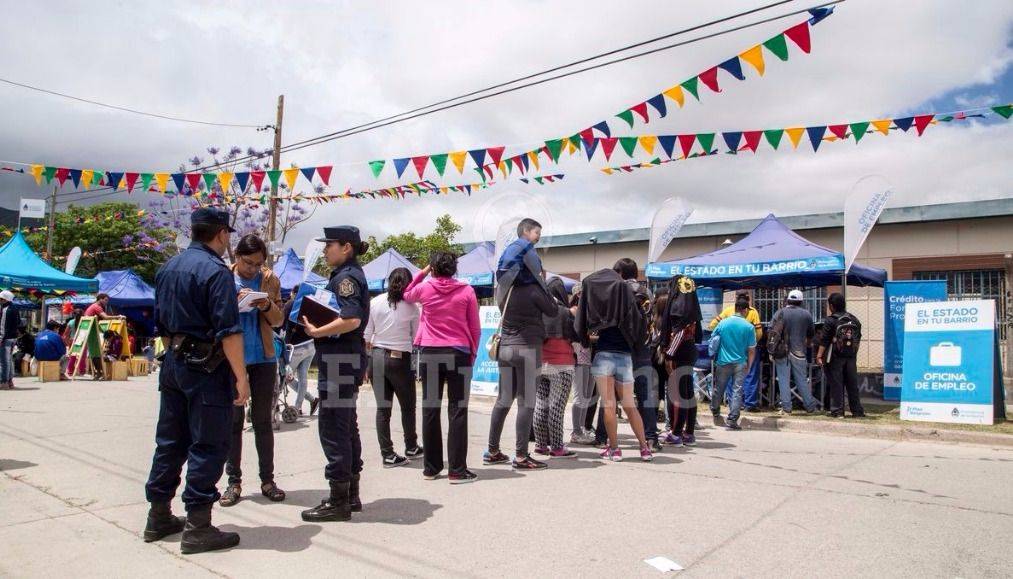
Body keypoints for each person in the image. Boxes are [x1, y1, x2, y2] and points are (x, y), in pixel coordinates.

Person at [143, 207, 249, 554]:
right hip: (206, 367)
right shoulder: (216, 271)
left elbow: (160, 323)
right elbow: (229, 331)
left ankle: (158, 515)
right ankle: (198, 526)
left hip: (173, 362)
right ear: (221, 234)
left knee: (170, 440)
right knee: (209, 443)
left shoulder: (168, 267)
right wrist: (241, 377)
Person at [301, 226, 370, 522]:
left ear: (346, 247)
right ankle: (350, 494)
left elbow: (351, 319)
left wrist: (317, 331)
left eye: (329, 245)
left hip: (340, 359)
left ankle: (339, 500)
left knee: (333, 428)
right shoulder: (346, 274)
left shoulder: (347, 278)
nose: (325, 250)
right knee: (345, 426)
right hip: (345, 358)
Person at [486, 218, 558, 470]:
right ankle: (520, 455)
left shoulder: (504, 291)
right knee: (526, 402)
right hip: (527, 348)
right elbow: (552, 310)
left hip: (505, 347)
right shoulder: (534, 290)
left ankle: (492, 450)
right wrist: (543, 283)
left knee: (503, 399)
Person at [220, 234, 287, 507]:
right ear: (236, 257)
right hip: (231, 358)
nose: (253, 269)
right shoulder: (223, 277)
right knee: (233, 422)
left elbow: (279, 320)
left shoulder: (269, 280)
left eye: (258, 264)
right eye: (248, 263)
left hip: (264, 357)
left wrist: (266, 305)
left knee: (262, 421)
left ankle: (267, 480)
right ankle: (233, 482)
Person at [403, 251, 481, 483]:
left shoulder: (425, 289)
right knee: (457, 410)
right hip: (459, 352)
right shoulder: (467, 291)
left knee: (430, 409)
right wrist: (472, 354)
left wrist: (422, 272)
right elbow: (475, 328)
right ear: (454, 268)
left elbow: (406, 293)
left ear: (434, 269)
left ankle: (431, 468)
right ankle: (457, 470)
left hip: (430, 353)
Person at [576, 266, 653, 462]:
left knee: (609, 405)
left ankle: (615, 449)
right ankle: (644, 448)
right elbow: (640, 332)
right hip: (625, 358)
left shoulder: (603, 309)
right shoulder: (630, 307)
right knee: (630, 406)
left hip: (603, 357)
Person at [364, 267, 423, 468]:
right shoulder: (412, 307)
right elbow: (416, 337)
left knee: (383, 409)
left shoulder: (375, 302)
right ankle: (411, 446)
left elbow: (366, 336)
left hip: (376, 357)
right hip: (399, 359)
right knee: (408, 406)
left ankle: (387, 454)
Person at [614, 258, 662, 453]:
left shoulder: (618, 290)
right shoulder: (647, 292)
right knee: (645, 395)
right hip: (643, 348)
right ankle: (651, 438)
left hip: (621, 347)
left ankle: (603, 437)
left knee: (611, 395)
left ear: (620, 273)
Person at [533, 277, 578, 458]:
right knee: (556, 408)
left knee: (541, 406)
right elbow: (577, 337)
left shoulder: (538, 311)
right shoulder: (566, 313)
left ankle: (540, 445)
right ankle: (558, 447)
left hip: (540, 364)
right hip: (562, 366)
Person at [658, 276, 703, 445]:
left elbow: (679, 333)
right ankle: (689, 433)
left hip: (679, 353)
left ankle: (676, 434)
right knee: (688, 393)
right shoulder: (692, 307)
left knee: (678, 395)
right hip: (689, 351)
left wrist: (669, 354)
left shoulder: (678, 308)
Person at [708, 292, 762, 410]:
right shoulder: (752, 312)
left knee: (726, 381)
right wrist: (752, 343)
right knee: (749, 376)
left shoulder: (728, 311)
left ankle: (728, 403)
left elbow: (712, 325)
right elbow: (759, 333)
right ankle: (749, 404)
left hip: (726, 353)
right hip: (745, 351)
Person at [816, 292, 865, 418]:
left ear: (832, 306)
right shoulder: (854, 319)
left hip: (835, 357)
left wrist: (819, 356)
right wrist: (853, 353)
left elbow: (824, 340)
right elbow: (858, 339)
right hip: (851, 357)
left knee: (836, 384)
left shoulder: (831, 320)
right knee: (852, 384)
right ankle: (857, 411)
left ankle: (838, 411)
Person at [770, 290, 819, 415]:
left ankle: (786, 408)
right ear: (801, 301)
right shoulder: (806, 314)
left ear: (788, 300)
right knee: (802, 380)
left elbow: (771, 331)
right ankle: (810, 406)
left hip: (782, 352)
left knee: (783, 380)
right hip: (799, 352)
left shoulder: (780, 312)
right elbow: (811, 334)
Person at [282, 284, 320, 416]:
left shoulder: (291, 304)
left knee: (286, 376)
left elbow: (280, 322)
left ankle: (309, 400)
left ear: (294, 293)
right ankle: (300, 406)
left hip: (295, 348)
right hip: (311, 345)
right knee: (303, 376)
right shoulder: (312, 306)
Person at [569, 289, 597, 445]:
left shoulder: (587, 313)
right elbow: (579, 335)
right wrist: (595, 337)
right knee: (579, 396)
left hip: (588, 357)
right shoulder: (573, 311)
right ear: (578, 295)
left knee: (587, 396)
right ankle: (576, 431)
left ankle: (581, 428)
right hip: (578, 357)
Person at [84, 293, 122, 379]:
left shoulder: (92, 306)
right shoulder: (97, 307)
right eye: (105, 300)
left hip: (90, 330)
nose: (106, 302)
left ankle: (98, 372)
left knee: (94, 353)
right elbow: (105, 317)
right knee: (96, 353)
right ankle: (100, 372)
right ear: (100, 299)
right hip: (92, 331)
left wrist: (103, 331)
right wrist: (118, 316)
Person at [0, 290, 19, 389]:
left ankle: (4, 382)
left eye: (1, 299)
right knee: (9, 360)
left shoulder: (5, 310)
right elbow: (19, 322)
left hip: (6, 338)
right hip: (13, 338)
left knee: (4, 361)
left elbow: (3, 326)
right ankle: (10, 381)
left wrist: (1, 338)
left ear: (5, 299)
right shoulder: (15, 308)